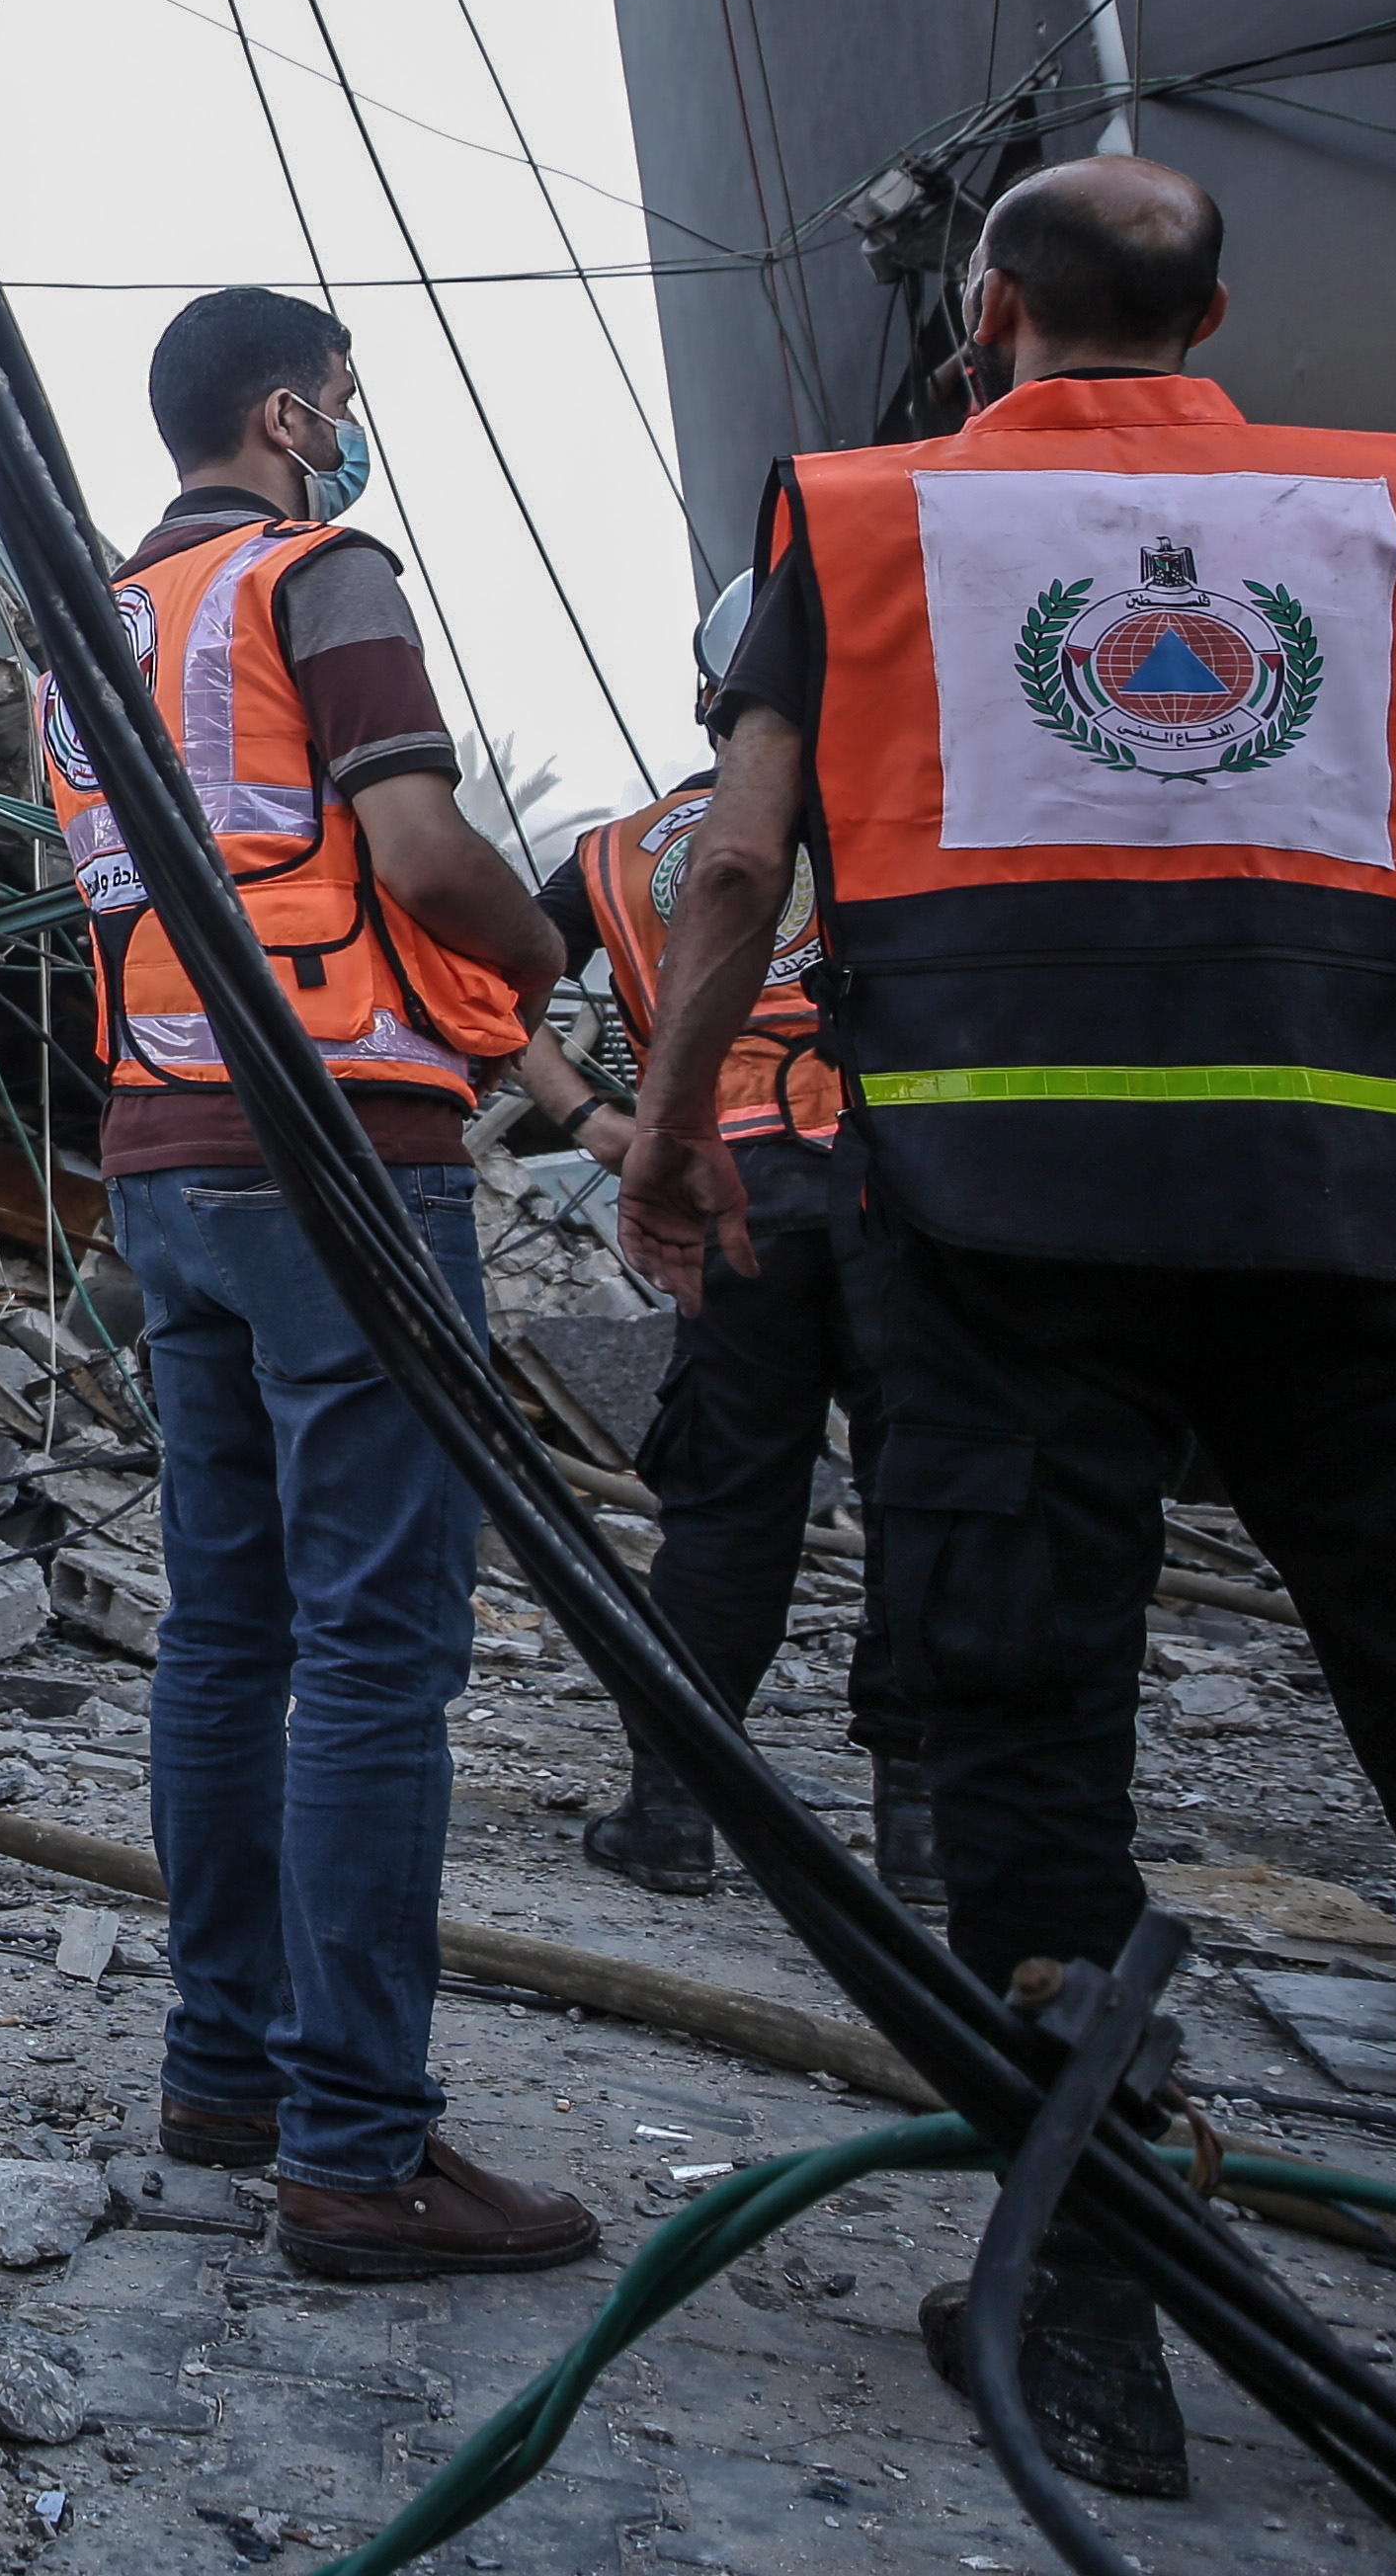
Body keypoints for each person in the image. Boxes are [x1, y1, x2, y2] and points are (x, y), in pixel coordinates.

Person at [619, 153, 1396, 2532]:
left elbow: (731, 864)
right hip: (1361, 1222)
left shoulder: (857, 520)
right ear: (1214, 308)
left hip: (1000, 1232)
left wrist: (670, 1131)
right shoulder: (1392, 512)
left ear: (980, 315)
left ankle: (1087, 2316)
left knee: (1028, 1750)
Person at [40, 286, 594, 2279]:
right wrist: (539, 964)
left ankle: (224, 2075)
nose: (352, 434)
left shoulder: (90, 618)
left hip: (163, 1153)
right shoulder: (318, 577)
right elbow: (425, 849)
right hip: (346, 1146)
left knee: (230, 1625)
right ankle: (358, 2151)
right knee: (374, 1651)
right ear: (287, 412)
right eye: (343, 402)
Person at [513, 577, 931, 1907]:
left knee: (727, 1510)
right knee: (928, 1492)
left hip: (725, 1201)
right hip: (897, 1194)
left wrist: (593, 1120)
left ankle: (676, 1808)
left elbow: (476, 987)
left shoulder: (613, 857)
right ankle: (923, 1818)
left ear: (715, 698)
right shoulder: (890, 830)